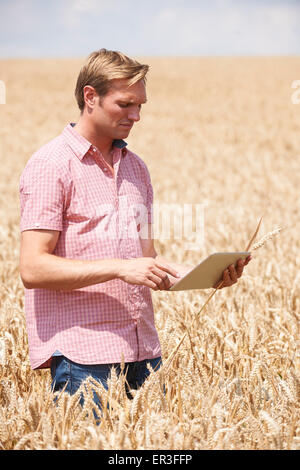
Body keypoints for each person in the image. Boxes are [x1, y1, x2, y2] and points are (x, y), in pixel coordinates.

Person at [19, 49, 251, 409]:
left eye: (141, 105)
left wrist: (207, 276)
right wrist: (121, 267)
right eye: (126, 104)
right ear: (90, 97)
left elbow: (146, 263)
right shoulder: (51, 165)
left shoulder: (136, 169)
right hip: (84, 359)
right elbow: (33, 268)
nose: (137, 115)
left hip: (144, 355)